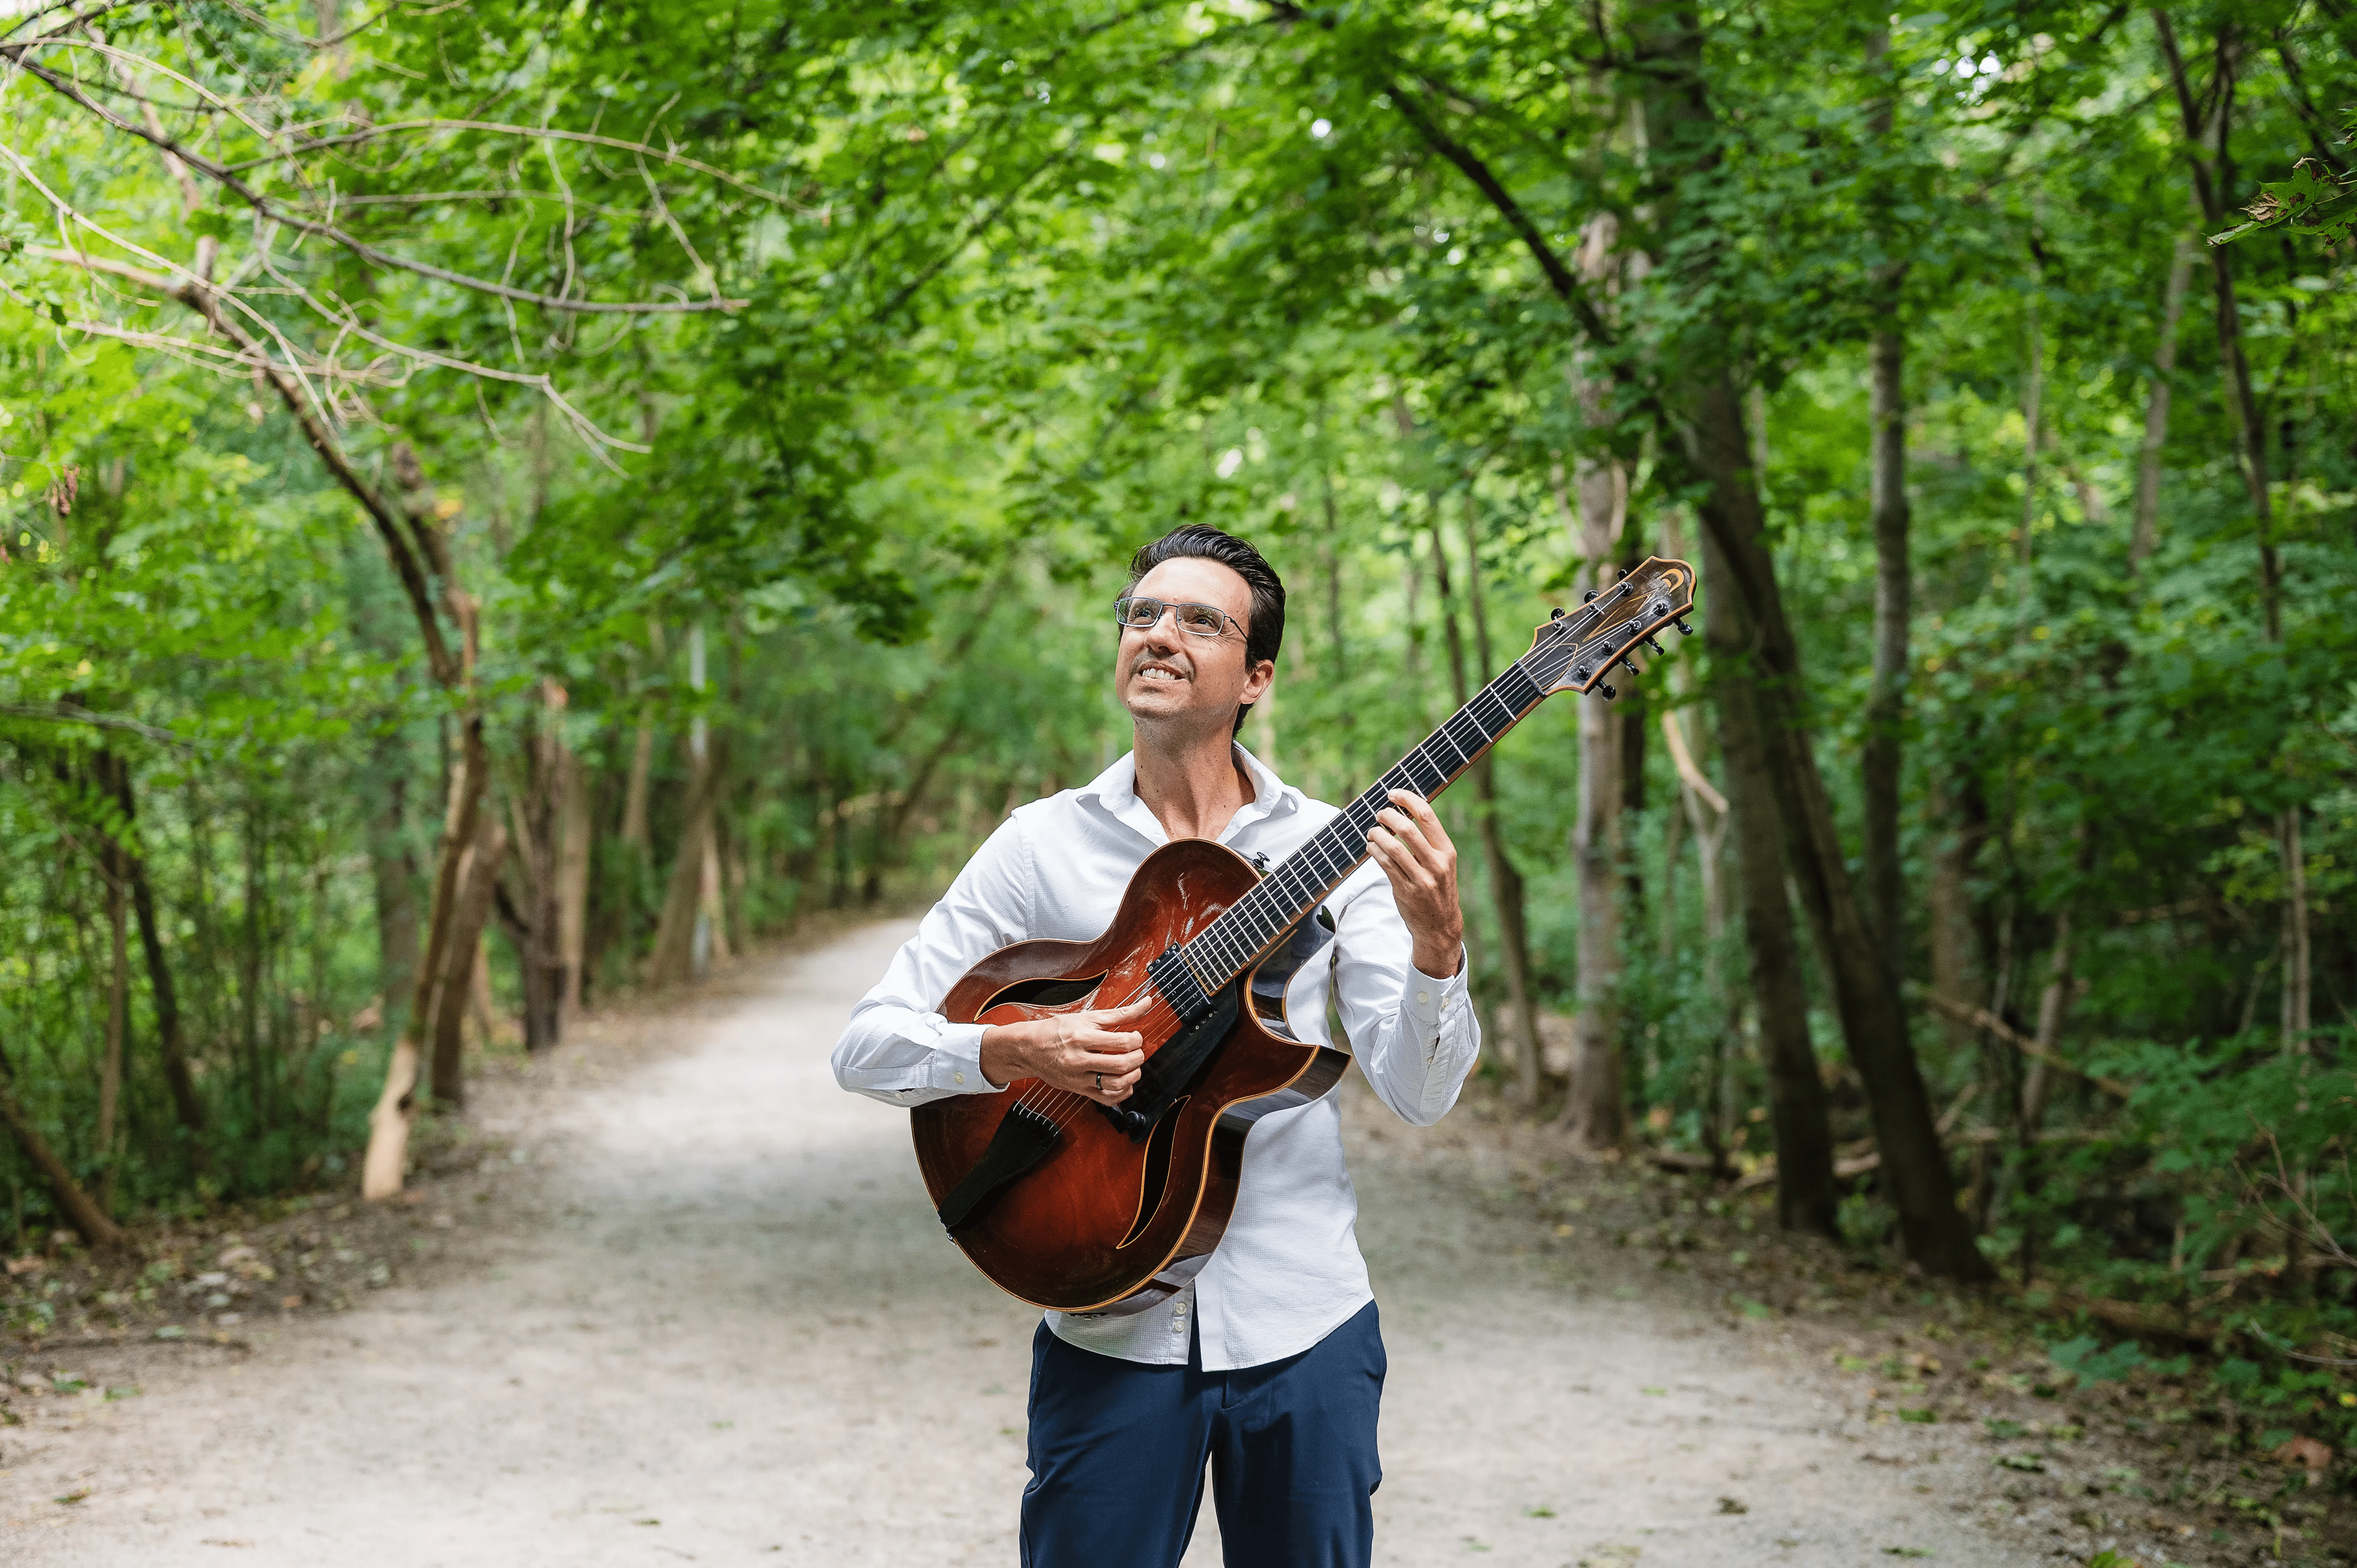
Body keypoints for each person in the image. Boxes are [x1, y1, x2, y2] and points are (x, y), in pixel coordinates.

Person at [832, 524, 1482, 1568]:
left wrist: (1439, 948)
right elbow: (867, 1045)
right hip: (1108, 1325)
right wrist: (1018, 1050)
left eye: (1201, 620)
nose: (1161, 633)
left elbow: (1420, 1093)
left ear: (1257, 677)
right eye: (1144, 613)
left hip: (1303, 1325)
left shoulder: (1343, 851)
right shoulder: (1041, 844)